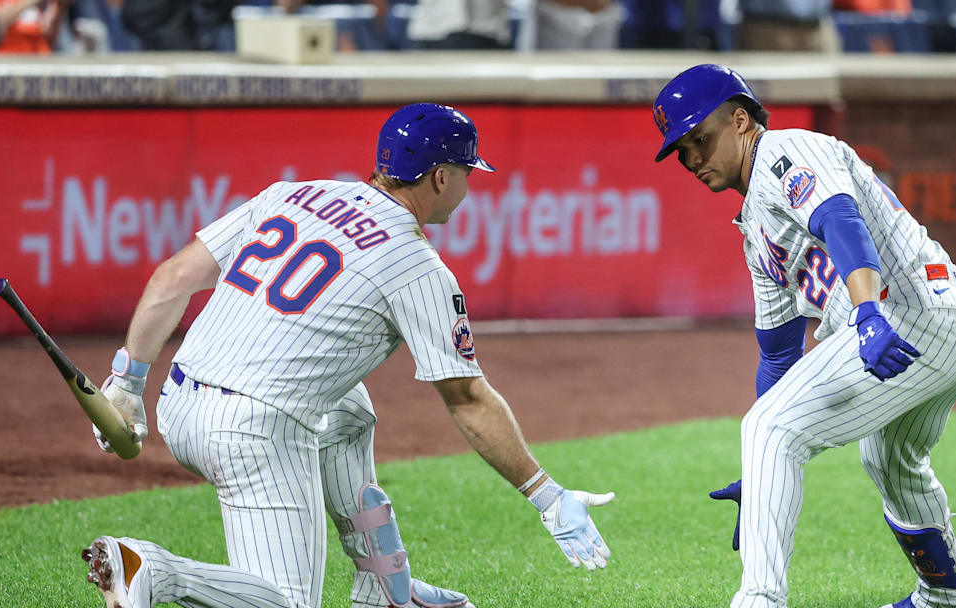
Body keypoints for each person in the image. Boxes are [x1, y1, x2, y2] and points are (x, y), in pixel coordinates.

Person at [82, 102, 615, 608]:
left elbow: (176, 276)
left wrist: (127, 382)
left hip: (180, 399)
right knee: (289, 602)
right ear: (440, 177)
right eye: (467, 171)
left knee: (348, 409)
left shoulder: (291, 194)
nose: (470, 184)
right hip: (252, 434)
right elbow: (469, 399)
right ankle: (152, 569)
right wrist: (546, 495)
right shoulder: (419, 266)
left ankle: (385, 586)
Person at [651, 64, 956, 608]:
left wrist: (868, 315)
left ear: (743, 121)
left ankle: (760, 600)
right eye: (681, 150)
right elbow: (777, 354)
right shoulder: (756, 231)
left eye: (699, 139)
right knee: (889, 459)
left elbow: (840, 219)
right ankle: (952, 594)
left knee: (771, 430)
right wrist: (761, 473)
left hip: (911, 320)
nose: (692, 159)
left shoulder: (784, 151)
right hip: (950, 331)